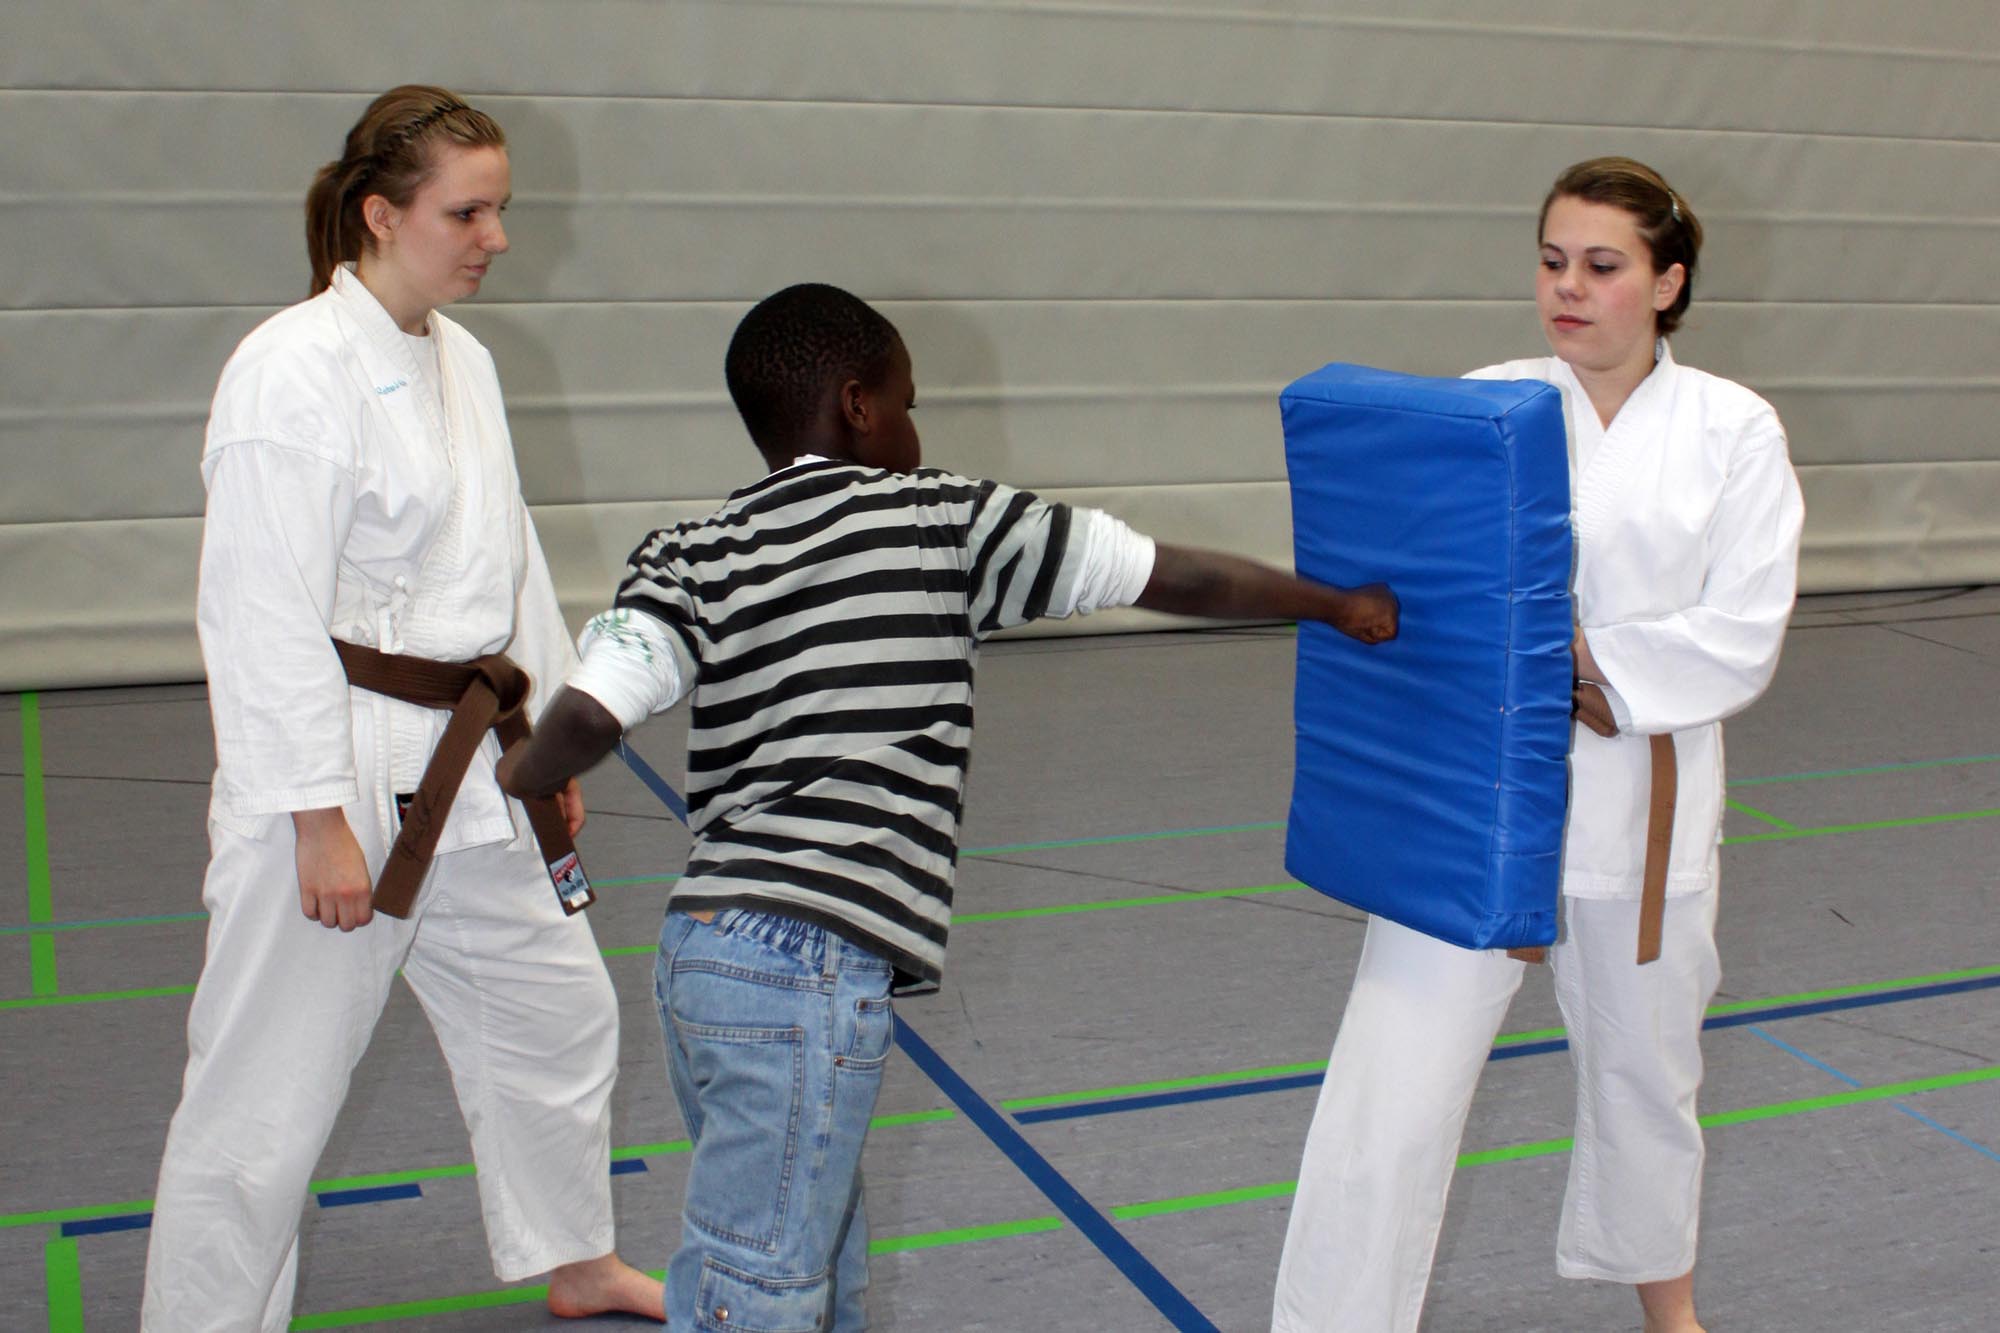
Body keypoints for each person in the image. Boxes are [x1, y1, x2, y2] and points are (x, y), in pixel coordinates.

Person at [495, 282, 1400, 1330]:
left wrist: (523, 775)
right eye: (909, 402)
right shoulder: (942, 519)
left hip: (700, 952)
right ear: (858, 405)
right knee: (761, 1288)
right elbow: (1174, 577)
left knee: (808, 1249)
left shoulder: (693, 548)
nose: (918, 429)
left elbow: (594, 706)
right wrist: (1334, 604)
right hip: (807, 963)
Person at [141, 86, 661, 1329]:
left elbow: (507, 563)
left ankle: (577, 1259)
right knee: (263, 1094)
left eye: (499, 210)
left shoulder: (464, 359)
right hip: (340, 764)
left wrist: (546, 750)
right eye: (466, 213)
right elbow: (259, 609)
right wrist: (312, 814)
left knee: (556, 1012)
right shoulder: (289, 371)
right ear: (381, 215)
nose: (496, 238)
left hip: (474, 762)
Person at [1270, 157, 1805, 1333]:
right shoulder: (1482, 406)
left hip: (1639, 810)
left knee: (1645, 1078)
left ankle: (1670, 1311)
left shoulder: (1730, 429)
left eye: (1601, 265)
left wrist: (1570, 657)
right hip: (1469, 804)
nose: (1566, 286)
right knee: (1384, 1087)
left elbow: (1740, 632)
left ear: (1664, 283)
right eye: (1552, 261)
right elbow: (1408, 581)